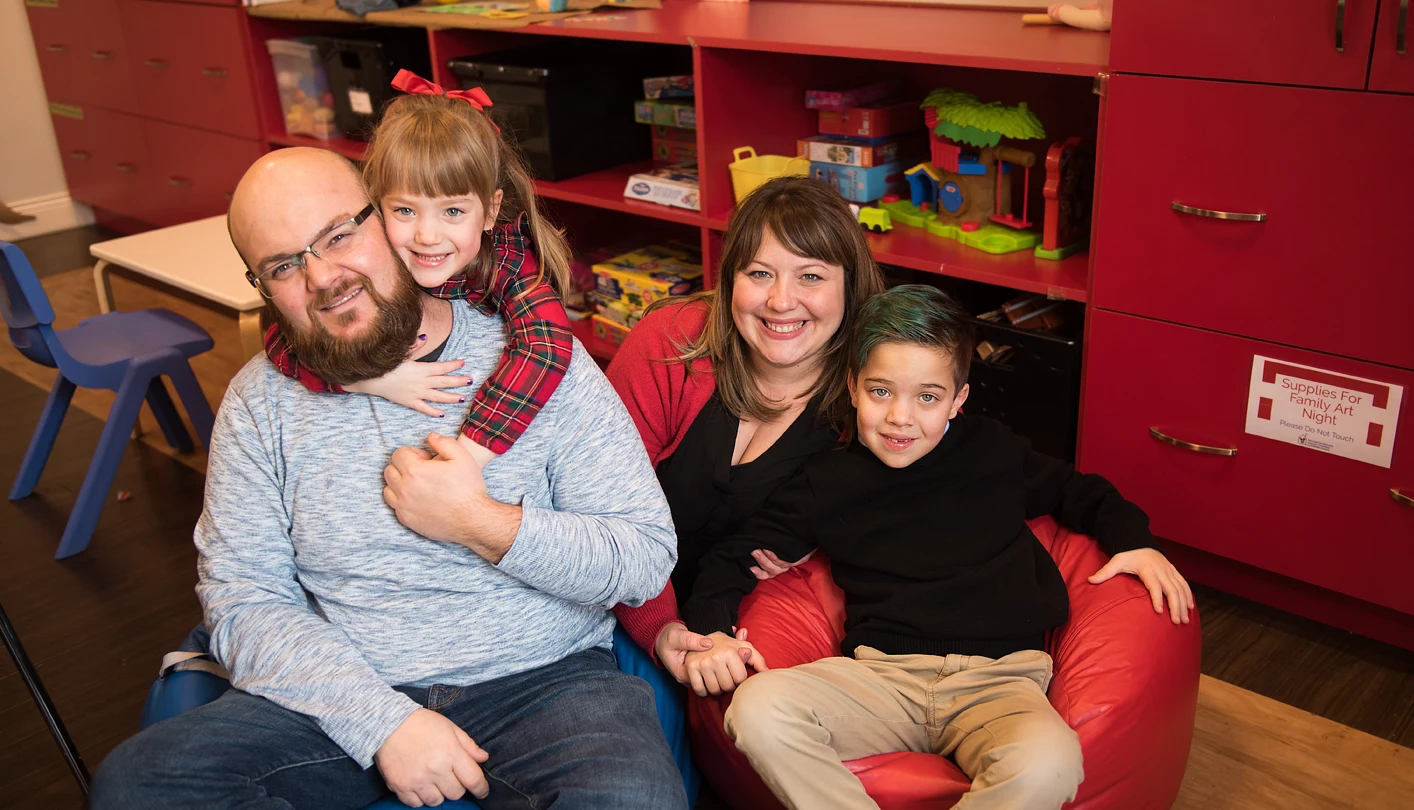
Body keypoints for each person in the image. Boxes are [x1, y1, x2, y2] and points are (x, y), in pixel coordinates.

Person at [88, 146, 686, 810]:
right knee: (135, 786)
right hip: (345, 688)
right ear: (262, 287)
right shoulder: (260, 402)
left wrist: (481, 525)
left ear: (389, 221)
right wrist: (383, 723)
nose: (323, 277)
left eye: (339, 235)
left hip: (547, 683)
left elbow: (642, 557)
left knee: (635, 797)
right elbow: (241, 599)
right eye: (284, 265)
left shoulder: (537, 359)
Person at [680, 284, 1195, 810]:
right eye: (881, 391)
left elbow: (1082, 494)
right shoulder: (826, 481)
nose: (900, 417)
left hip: (1002, 683)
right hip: (881, 679)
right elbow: (733, 556)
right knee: (756, 709)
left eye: (927, 396)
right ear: (854, 387)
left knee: (1052, 761)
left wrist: (1137, 544)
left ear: (958, 400)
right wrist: (714, 632)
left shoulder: (992, 452)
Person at [607, 175, 886, 697]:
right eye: (760, 273)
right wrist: (664, 630)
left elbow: (950, 479)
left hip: (741, 629)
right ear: (731, 276)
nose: (782, 301)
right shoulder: (672, 342)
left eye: (810, 276)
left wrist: (829, 539)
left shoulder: (872, 397)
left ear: (849, 285)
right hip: (615, 605)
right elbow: (600, 509)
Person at [262, 70, 575, 467]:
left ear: (490, 211)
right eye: (406, 210)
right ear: (376, 204)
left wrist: (465, 457)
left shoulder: (507, 260)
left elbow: (545, 348)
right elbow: (279, 338)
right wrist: (373, 381)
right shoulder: (369, 257)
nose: (427, 236)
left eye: (453, 211)